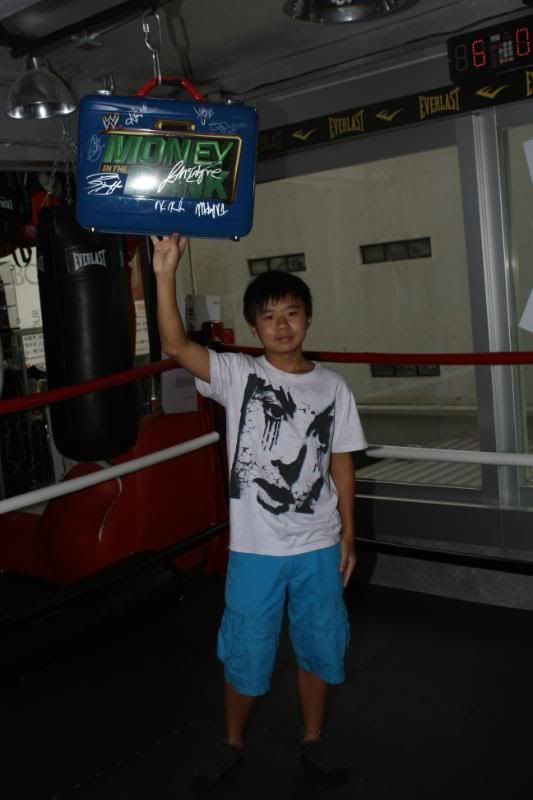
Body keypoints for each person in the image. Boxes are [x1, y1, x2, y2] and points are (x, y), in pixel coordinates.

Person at [152, 233, 367, 789]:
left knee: (320, 645)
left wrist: (349, 533)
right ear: (254, 327)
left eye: (291, 313)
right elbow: (174, 344)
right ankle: (231, 742)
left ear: (308, 318)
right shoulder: (238, 375)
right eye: (268, 317)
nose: (281, 325)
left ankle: (313, 739)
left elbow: (342, 462)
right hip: (255, 549)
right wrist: (165, 272)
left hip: (319, 542)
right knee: (246, 648)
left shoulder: (333, 386)